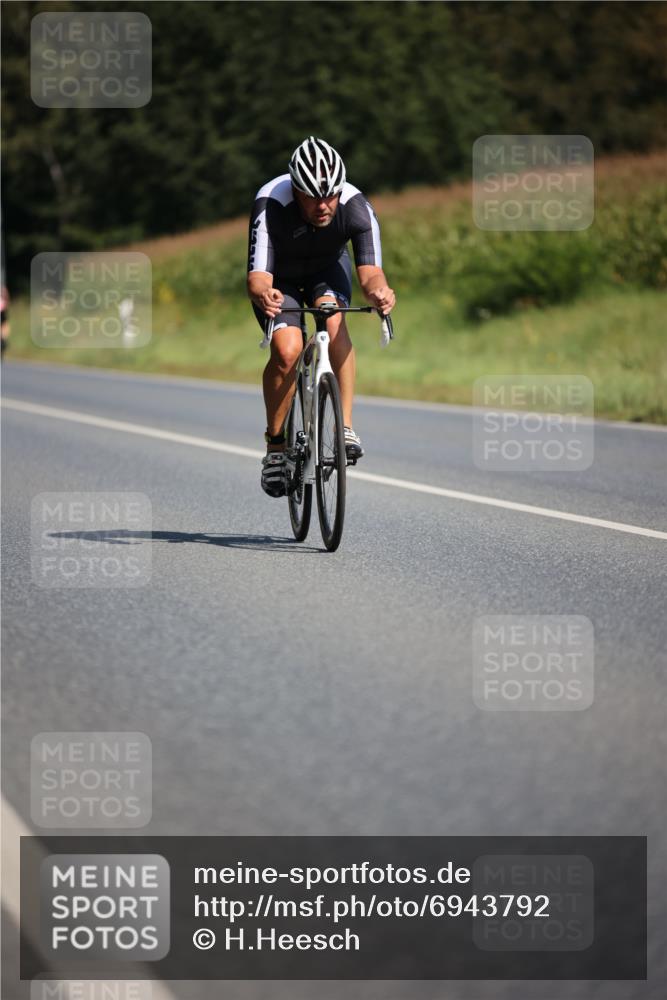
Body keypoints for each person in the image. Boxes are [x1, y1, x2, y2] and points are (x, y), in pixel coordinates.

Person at [247, 136, 395, 497]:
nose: (323, 205)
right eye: (313, 196)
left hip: (328, 269)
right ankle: (276, 448)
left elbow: (370, 274)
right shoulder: (271, 202)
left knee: (333, 319)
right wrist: (265, 294)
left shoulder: (356, 206)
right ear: (296, 189)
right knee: (287, 351)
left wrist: (379, 291)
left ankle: (343, 426)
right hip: (279, 277)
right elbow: (258, 277)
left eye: (330, 195)